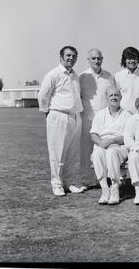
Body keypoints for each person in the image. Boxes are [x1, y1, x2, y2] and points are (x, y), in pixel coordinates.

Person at [38, 46, 86, 196]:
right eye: (68, 55)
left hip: (73, 117)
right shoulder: (54, 74)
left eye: (74, 56)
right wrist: (48, 112)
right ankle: (57, 184)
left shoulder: (75, 76)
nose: (71, 58)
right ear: (61, 57)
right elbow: (43, 95)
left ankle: (69, 183)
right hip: (58, 116)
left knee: (72, 153)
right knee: (57, 153)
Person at [79, 48, 115, 188]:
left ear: (102, 59)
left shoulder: (109, 76)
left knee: (105, 149)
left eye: (99, 58)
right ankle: (86, 180)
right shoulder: (82, 76)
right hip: (87, 118)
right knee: (86, 150)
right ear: (88, 60)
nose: (96, 61)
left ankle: (105, 179)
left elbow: (112, 96)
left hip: (105, 120)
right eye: (93, 58)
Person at [90, 86, 132, 205]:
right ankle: (104, 189)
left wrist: (111, 142)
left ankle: (114, 189)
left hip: (120, 146)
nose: (114, 97)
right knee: (97, 153)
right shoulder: (100, 114)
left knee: (112, 152)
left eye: (116, 95)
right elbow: (93, 134)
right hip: (102, 144)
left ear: (121, 97)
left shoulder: (127, 114)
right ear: (106, 98)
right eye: (111, 95)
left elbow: (128, 137)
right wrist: (100, 143)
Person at [115, 47, 139, 114]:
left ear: (138, 60)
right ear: (124, 60)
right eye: (129, 58)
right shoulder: (118, 76)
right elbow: (116, 97)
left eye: (134, 58)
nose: (132, 61)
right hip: (123, 116)